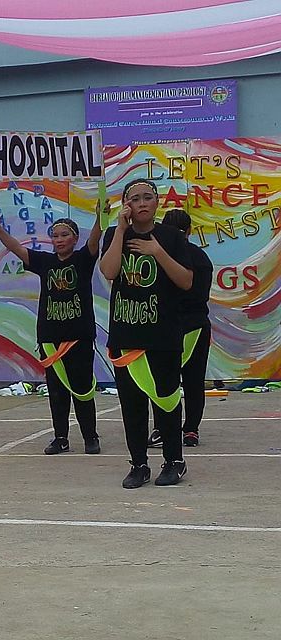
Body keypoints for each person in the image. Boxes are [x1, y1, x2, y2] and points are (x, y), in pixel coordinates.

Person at [0, 202, 103, 455]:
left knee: (82, 389)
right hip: (50, 338)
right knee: (57, 392)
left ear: (74, 238)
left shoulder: (83, 259)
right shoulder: (45, 262)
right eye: (55, 236)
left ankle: (90, 437)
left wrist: (98, 218)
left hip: (79, 336)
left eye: (64, 235)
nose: (59, 240)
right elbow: (15, 248)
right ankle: (61, 438)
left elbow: (95, 241)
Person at [100, 179, 192, 488]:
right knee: (132, 404)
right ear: (126, 203)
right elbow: (110, 271)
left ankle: (174, 461)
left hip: (163, 334)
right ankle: (138, 463)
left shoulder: (172, 237)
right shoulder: (115, 235)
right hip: (126, 335)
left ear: (156, 203)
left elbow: (186, 281)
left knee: (165, 400)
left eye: (147, 198)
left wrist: (157, 252)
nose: (142, 203)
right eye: (135, 198)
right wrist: (121, 231)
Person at [148, 209, 213, 448]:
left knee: (163, 381)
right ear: (190, 231)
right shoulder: (200, 257)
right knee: (192, 381)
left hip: (173, 325)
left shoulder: (162, 256)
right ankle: (190, 430)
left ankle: (163, 428)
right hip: (192, 325)